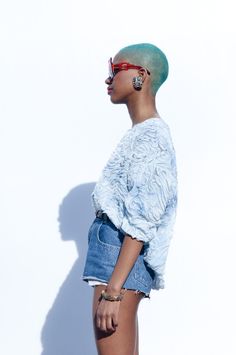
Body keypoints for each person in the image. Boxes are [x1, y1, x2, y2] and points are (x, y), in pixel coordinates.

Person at [82, 43, 178, 355]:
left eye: (115, 70)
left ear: (141, 76)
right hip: (114, 258)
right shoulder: (141, 133)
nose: (108, 79)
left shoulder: (152, 137)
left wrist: (113, 293)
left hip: (118, 261)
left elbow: (143, 218)